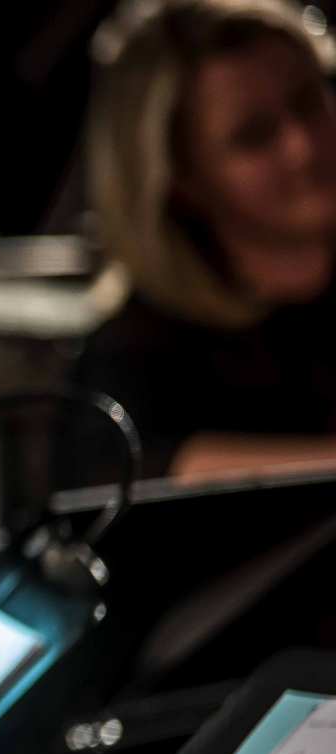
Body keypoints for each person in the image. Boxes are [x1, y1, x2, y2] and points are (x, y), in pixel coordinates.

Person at [61, 0, 336, 486]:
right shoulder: (141, 347)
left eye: (308, 101)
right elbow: (138, 475)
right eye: (254, 135)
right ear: (181, 179)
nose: (304, 146)